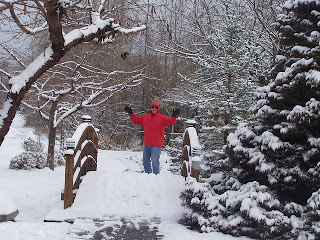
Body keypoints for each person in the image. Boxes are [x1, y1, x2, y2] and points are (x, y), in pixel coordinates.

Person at [124, 101, 180, 174]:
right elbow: (136, 120)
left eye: (155, 107)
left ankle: (156, 176)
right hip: (147, 143)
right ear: (150, 108)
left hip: (157, 144)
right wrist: (131, 113)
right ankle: (148, 175)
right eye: (152, 107)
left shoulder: (162, 118)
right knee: (145, 161)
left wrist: (173, 116)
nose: (154, 108)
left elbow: (170, 122)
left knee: (154, 161)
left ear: (158, 108)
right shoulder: (146, 117)